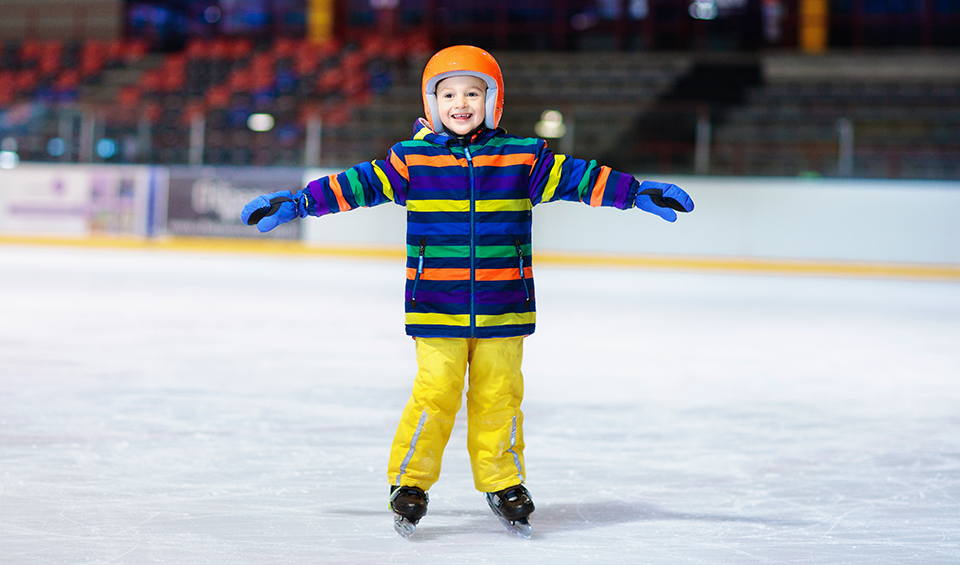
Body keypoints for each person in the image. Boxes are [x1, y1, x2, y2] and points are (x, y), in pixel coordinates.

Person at [241, 45, 694, 537]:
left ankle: (503, 481)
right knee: (434, 394)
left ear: (493, 101)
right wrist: (300, 202)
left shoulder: (522, 158)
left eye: (473, 92)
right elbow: (356, 185)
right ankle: (410, 482)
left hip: (504, 307)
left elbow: (579, 178)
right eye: (449, 93)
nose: (461, 102)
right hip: (437, 306)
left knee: (500, 397)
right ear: (432, 102)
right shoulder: (411, 160)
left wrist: (635, 192)